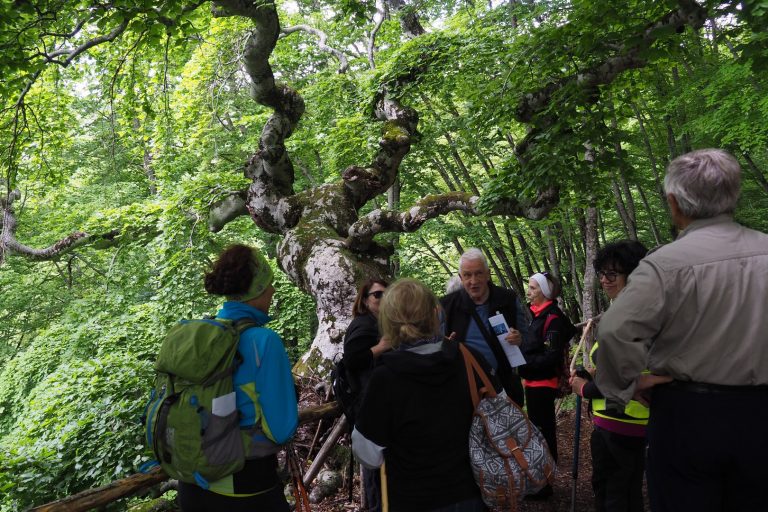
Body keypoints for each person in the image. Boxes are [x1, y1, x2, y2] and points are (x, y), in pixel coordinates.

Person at [595, 148, 768, 512]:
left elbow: (613, 331)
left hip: (687, 416)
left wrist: (628, 384)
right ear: (734, 195)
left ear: (673, 202)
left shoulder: (664, 264)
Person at [352, 278, 495, 512]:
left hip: (412, 499)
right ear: (435, 312)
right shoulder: (469, 359)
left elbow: (367, 453)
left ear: (388, 321)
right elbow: (498, 411)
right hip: (471, 495)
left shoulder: (386, 378)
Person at [177, 244, 298, 512]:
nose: (273, 291)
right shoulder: (264, 341)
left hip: (192, 485)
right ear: (256, 289)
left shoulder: (200, 336)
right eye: (269, 284)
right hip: (246, 487)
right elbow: (282, 429)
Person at [569, 240, 649, 512]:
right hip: (618, 421)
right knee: (620, 490)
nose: (604, 280)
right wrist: (590, 374)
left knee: (615, 495)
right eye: (602, 273)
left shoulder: (631, 317)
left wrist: (583, 387)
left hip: (622, 423)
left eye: (612, 274)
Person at [441, 248, 528, 406]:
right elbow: (435, 349)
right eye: (467, 275)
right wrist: (444, 346)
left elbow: (528, 339)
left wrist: (520, 339)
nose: (473, 281)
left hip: (504, 388)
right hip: (464, 392)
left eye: (479, 273)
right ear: (460, 277)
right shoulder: (447, 306)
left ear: (488, 274)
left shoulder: (507, 300)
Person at [519, 273, 575, 480]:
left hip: (543, 383)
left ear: (544, 292)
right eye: (529, 287)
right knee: (538, 431)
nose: (529, 292)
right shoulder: (537, 315)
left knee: (543, 431)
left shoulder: (552, 319)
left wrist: (524, 363)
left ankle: (546, 479)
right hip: (533, 381)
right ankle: (542, 477)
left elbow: (551, 356)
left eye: (533, 288)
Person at [342, 278, 389, 512]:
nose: (382, 298)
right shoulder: (363, 325)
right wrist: (380, 348)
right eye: (377, 294)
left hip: (376, 406)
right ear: (365, 300)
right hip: (368, 408)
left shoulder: (377, 323)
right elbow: (351, 360)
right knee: (375, 471)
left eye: (386, 294)